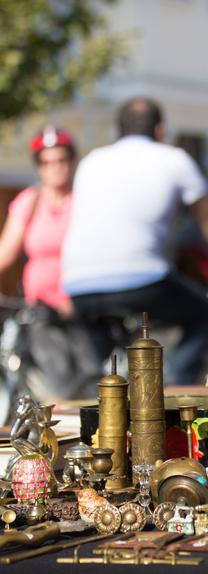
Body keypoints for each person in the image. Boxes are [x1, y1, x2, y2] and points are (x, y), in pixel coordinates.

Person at [61, 98, 208, 384]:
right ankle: (175, 389)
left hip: (78, 282)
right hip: (142, 278)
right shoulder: (175, 159)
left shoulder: (91, 161)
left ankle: (101, 393)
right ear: (160, 130)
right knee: (203, 315)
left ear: (118, 130)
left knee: (106, 374)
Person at [0, 127, 99, 399]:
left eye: (61, 160)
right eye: (47, 162)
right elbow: (5, 252)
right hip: (42, 314)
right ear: (39, 166)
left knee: (96, 387)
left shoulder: (85, 202)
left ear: (72, 161)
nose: (55, 168)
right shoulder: (28, 203)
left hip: (84, 311)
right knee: (57, 391)